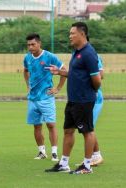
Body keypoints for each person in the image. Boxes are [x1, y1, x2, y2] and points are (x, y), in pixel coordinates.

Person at [45, 22, 101, 174]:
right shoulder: (77, 52)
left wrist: (91, 91)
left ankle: (87, 166)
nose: (70, 36)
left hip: (84, 100)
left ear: (82, 34)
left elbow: (97, 79)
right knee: (68, 130)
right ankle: (64, 164)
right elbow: (75, 73)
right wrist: (59, 72)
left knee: (87, 132)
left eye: (72, 33)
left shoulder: (89, 53)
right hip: (73, 100)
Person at [23, 33, 66, 161]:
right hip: (33, 98)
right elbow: (25, 71)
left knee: (51, 124)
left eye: (33, 44)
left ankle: (54, 152)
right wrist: (28, 85)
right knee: (36, 125)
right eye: (28, 45)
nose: (30, 47)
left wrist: (58, 88)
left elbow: (64, 70)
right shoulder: (27, 58)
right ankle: (42, 152)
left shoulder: (50, 56)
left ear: (39, 43)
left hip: (46, 97)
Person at [91, 55, 104, 166]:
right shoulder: (75, 55)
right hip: (83, 97)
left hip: (94, 98)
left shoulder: (92, 55)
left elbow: (101, 75)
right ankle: (94, 156)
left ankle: (97, 156)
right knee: (87, 127)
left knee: (89, 127)